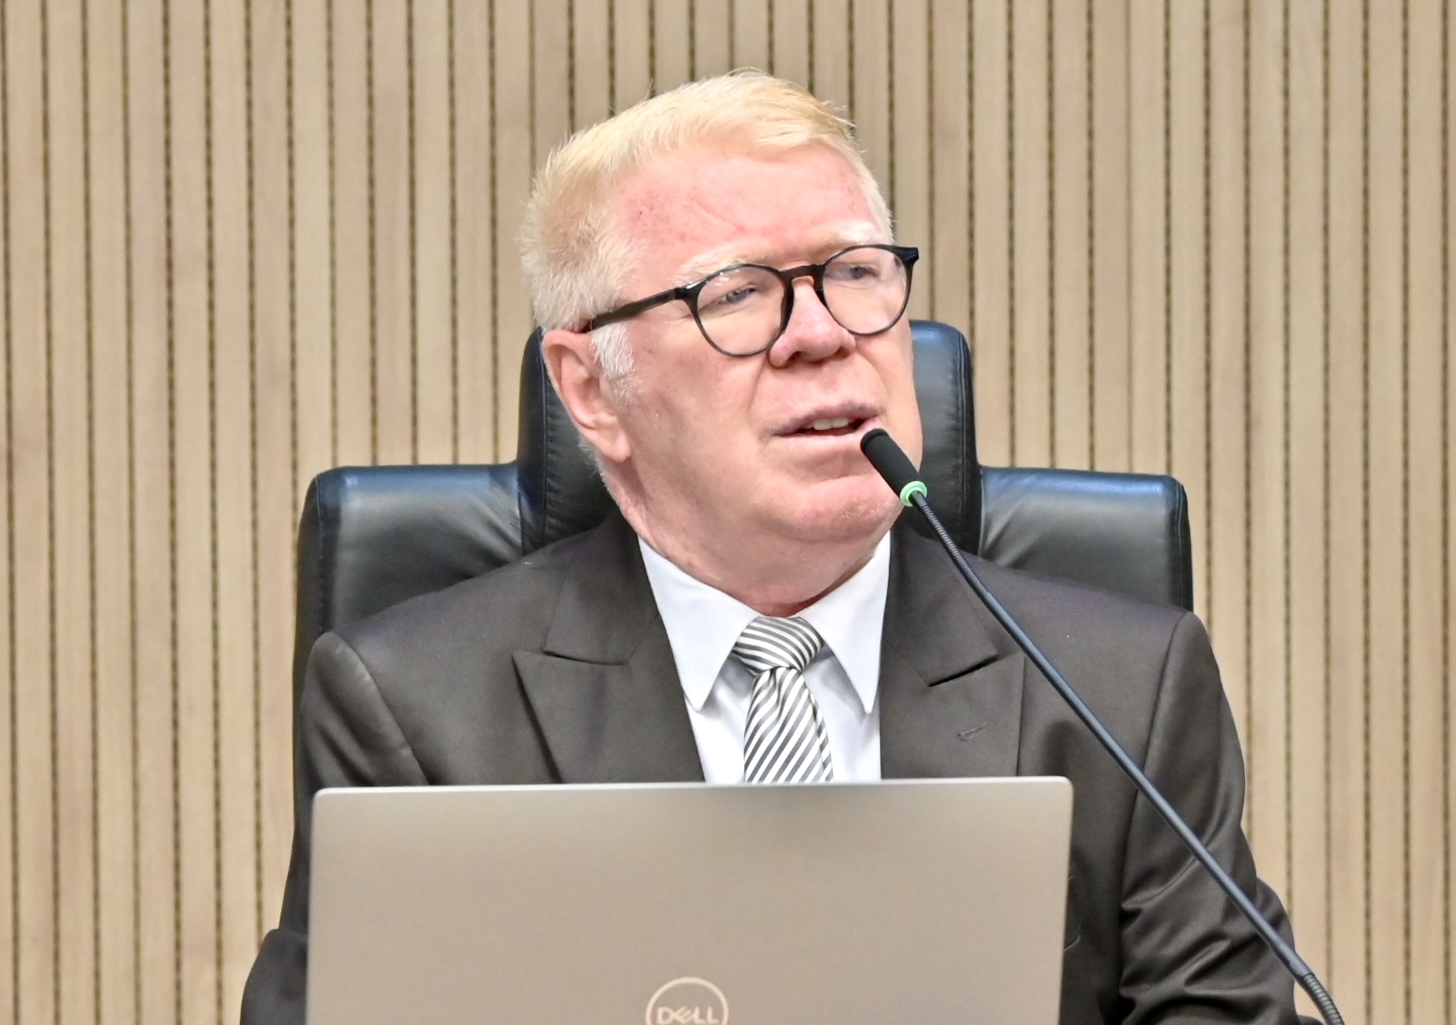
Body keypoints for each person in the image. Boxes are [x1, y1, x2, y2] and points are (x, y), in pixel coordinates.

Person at [242, 70, 1310, 1025]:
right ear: (592, 391)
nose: (823, 334)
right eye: (739, 293)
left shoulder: (1122, 692)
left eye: (855, 272)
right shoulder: (414, 712)